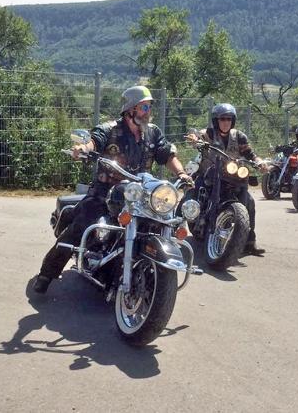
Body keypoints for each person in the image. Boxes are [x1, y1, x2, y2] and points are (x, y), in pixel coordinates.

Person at [34, 85, 191, 293]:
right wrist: (84, 148)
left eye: (149, 107)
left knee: (165, 220)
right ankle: (47, 273)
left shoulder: (153, 132)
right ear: (131, 109)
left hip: (140, 195)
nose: (148, 112)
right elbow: (95, 141)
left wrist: (182, 174)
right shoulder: (110, 129)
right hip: (105, 192)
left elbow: (167, 155)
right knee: (83, 223)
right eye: (144, 107)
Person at [187, 103, 267, 256]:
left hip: (231, 175)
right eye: (222, 119)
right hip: (210, 173)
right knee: (197, 189)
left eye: (229, 119)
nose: (226, 122)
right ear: (216, 120)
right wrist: (194, 139)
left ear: (233, 120)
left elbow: (250, 153)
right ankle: (188, 221)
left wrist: (259, 162)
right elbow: (197, 136)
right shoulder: (209, 134)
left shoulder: (239, 136)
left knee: (249, 202)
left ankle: (250, 240)